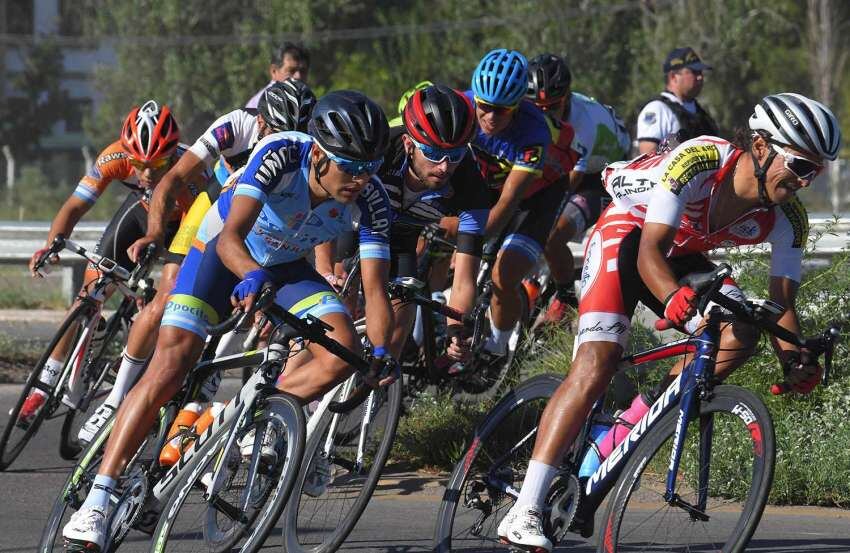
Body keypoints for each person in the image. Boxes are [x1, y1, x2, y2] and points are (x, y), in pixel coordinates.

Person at [497, 92, 841, 551]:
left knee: (742, 331)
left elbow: (781, 306)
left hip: (681, 252)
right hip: (628, 232)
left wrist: (794, 359)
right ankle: (526, 507)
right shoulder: (699, 160)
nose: (805, 181)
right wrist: (673, 299)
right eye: (800, 165)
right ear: (760, 147)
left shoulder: (788, 219)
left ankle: (626, 427)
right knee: (599, 361)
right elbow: (647, 253)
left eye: (816, 172)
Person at [61, 90, 396, 551]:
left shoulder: (374, 200)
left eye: (369, 168)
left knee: (345, 351)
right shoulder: (280, 154)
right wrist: (251, 275)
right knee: (171, 366)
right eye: (351, 167)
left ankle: (242, 416)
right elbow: (230, 238)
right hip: (222, 250)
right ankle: (98, 498)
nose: (360, 179)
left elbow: (376, 290)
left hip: (286, 265)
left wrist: (381, 353)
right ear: (319, 154)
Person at [75, 79, 317, 443]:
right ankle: (113, 399)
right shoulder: (235, 125)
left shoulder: (311, 152)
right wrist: (156, 234)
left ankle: (202, 399)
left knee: (253, 306)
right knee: (166, 296)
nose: (287, 146)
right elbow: (172, 179)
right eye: (280, 133)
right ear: (262, 124)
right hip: (217, 208)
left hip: (270, 226)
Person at [19, 101, 204, 427]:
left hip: (183, 225)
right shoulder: (114, 156)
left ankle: (135, 363)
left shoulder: (191, 171)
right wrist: (51, 246)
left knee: (163, 297)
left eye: (159, 163)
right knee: (89, 292)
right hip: (140, 213)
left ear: (173, 155)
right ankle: (46, 384)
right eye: (139, 163)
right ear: (126, 153)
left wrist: (166, 267)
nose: (147, 173)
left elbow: (196, 237)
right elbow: (74, 206)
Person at [317, 84, 489, 366]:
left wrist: (456, 329)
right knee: (340, 299)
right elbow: (327, 204)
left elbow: (465, 279)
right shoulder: (379, 153)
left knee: (402, 309)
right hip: (353, 222)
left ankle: (379, 391)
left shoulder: (472, 189)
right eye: (433, 154)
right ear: (410, 145)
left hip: (402, 235)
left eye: (455, 155)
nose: (445, 166)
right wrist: (324, 269)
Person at [465, 48, 561, 365]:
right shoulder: (462, 109)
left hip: (534, 199)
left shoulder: (533, 133)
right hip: (486, 185)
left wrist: (466, 238)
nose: (491, 118)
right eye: (485, 107)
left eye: (502, 111)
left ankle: (498, 347)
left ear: (518, 106)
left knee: (503, 276)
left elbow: (508, 203)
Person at [527, 53, 630, 320]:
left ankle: (565, 296)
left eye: (552, 106)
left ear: (567, 97)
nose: (544, 113)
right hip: (562, 163)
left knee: (552, 235)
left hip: (598, 179)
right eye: (537, 108)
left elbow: (566, 182)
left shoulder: (585, 122)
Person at [636, 46, 719, 154]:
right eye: (694, 72)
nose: (700, 77)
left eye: (701, 72)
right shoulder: (658, 110)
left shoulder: (702, 115)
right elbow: (647, 160)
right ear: (673, 77)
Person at [245, 42, 310, 109]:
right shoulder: (260, 104)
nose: (298, 76)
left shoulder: (308, 101)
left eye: (303, 71)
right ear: (274, 71)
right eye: (291, 71)